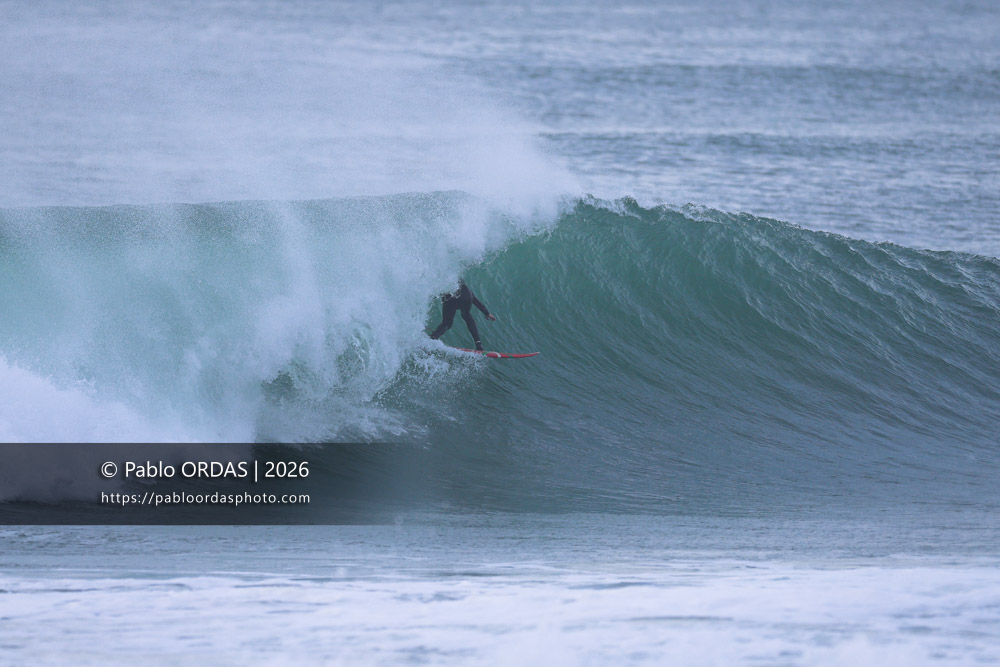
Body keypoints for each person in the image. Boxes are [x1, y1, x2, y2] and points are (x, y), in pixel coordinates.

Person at [429, 279, 497, 351]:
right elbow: (475, 300)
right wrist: (487, 313)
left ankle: (433, 337)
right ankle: (478, 344)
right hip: (467, 297)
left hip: (451, 298)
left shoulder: (446, 282)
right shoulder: (465, 288)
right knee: (467, 316)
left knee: (447, 323)